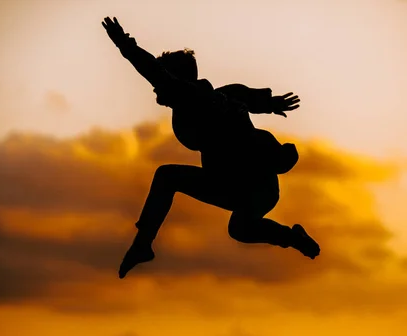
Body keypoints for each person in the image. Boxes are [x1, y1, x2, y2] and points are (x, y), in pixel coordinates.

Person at [101, 16, 320, 279]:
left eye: (161, 84)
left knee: (167, 176)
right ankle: (293, 238)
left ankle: (142, 245)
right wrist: (270, 104)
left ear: (174, 80)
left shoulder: (191, 97)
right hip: (258, 188)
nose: (155, 90)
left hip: (240, 182)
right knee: (240, 228)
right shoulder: (222, 94)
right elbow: (246, 96)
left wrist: (123, 43)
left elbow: (150, 69)